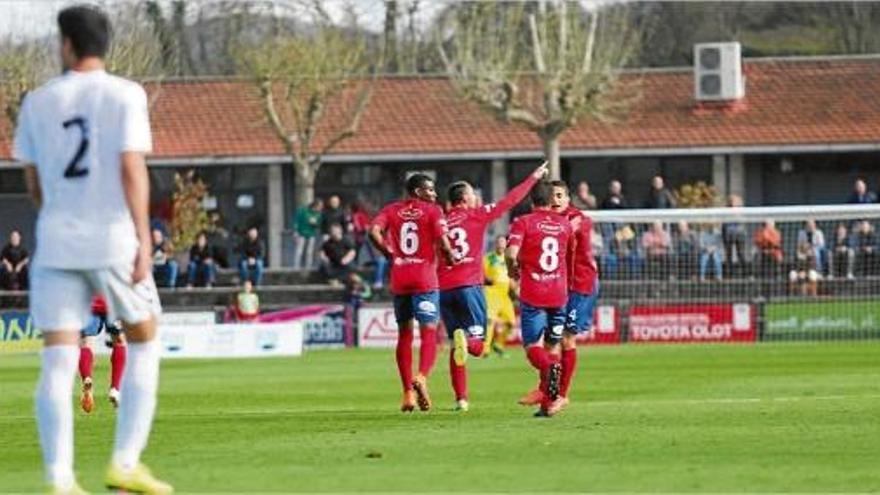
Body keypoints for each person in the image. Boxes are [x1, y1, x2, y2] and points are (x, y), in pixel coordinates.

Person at [13, 5, 171, 492]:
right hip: (112, 239)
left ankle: (61, 480)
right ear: (105, 44)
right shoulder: (125, 94)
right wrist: (144, 239)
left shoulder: (37, 101)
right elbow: (130, 169)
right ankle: (124, 462)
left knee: (58, 357)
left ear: (65, 44)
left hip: (56, 243)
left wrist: (60, 210)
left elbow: (34, 182)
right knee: (145, 340)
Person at [440, 162, 547, 411]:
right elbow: (510, 200)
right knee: (476, 346)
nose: (477, 197)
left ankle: (461, 399)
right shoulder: (477, 215)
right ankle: (467, 343)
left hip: (444, 290)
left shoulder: (441, 221)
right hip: (469, 287)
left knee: (457, 348)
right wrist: (534, 177)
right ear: (465, 198)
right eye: (472, 193)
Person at [369, 173, 456, 413]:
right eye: (430, 190)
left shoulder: (391, 210)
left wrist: (388, 254)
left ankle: (407, 393)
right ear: (418, 192)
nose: (435, 194)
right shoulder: (433, 211)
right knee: (429, 332)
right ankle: (422, 377)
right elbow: (444, 242)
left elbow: (373, 231)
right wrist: (450, 257)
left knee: (404, 334)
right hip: (424, 278)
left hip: (400, 277)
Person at [506, 180, 573, 417]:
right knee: (552, 345)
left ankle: (551, 367)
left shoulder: (523, 222)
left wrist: (511, 270)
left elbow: (511, 253)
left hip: (534, 293)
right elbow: (568, 256)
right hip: (559, 293)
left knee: (533, 347)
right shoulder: (565, 225)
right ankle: (547, 407)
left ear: (531, 200)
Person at [535, 179, 598, 416]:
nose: (556, 199)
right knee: (550, 341)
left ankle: (561, 395)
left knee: (566, 339)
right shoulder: (547, 221)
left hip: (581, 285)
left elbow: (566, 230)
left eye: (560, 195)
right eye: (551, 195)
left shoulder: (579, 218)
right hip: (559, 286)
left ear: (568, 199)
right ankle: (548, 397)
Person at [78, 295, 126, 414]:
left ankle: (87, 377)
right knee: (119, 342)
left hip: (88, 302)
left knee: (85, 342)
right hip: (112, 301)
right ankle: (115, 389)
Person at [483, 235, 517, 358]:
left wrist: (514, 287)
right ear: (495, 244)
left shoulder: (509, 258)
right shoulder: (489, 258)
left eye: (503, 242)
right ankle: (485, 349)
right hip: (492, 292)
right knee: (490, 321)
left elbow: (513, 276)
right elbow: (481, 273)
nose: (500, 245)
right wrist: (487, 279)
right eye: (498, 242)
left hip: (505, 294)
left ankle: (498, 344)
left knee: (511, 322)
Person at [292, 199, 322, 270]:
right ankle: (296, 267)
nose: (320, 208)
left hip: (311, 234)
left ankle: (308, 267)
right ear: (315, 205)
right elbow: (296, 221)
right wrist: (295, 231)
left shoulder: (318, 214)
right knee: (299, 251)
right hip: (301, 233)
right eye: (319, 206)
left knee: (309, 252)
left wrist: (315, 223)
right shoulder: (303, 210)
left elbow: (319, 224)